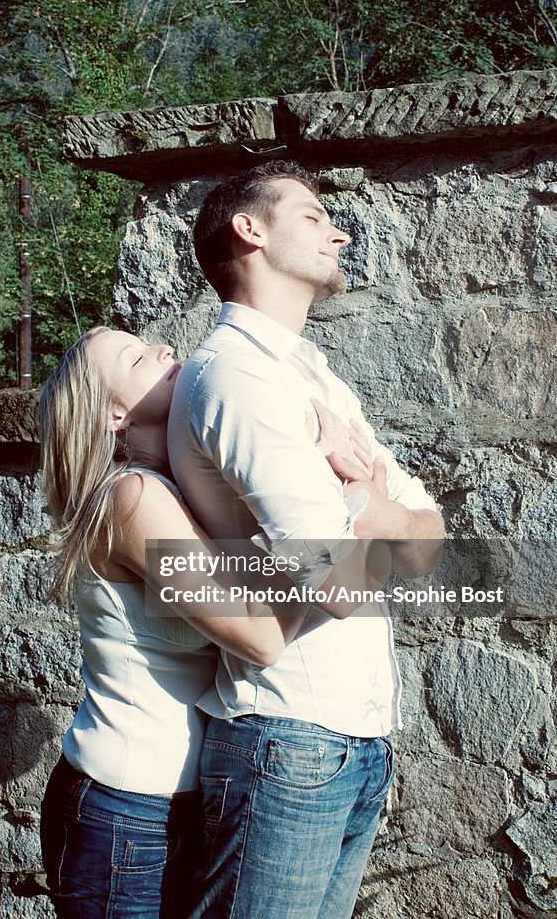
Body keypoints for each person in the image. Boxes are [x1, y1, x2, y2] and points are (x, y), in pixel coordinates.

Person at [167, 160, 446, 919]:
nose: (341, 230)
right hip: (288, 740)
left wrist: (365, 504)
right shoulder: (238, 377)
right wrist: (374, 502)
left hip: (355, 740)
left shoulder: (313, 374)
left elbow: (430, 543)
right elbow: (341, 586)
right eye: (315, 215)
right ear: (249, 230)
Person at [37, 324, 375, 919]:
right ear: (115, 414)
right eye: (138, 358)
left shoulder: (179, 492)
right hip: (125, 811)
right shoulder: (132, 500)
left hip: (180, 802)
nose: (165, 348)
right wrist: (347, 501)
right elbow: (262, 635)